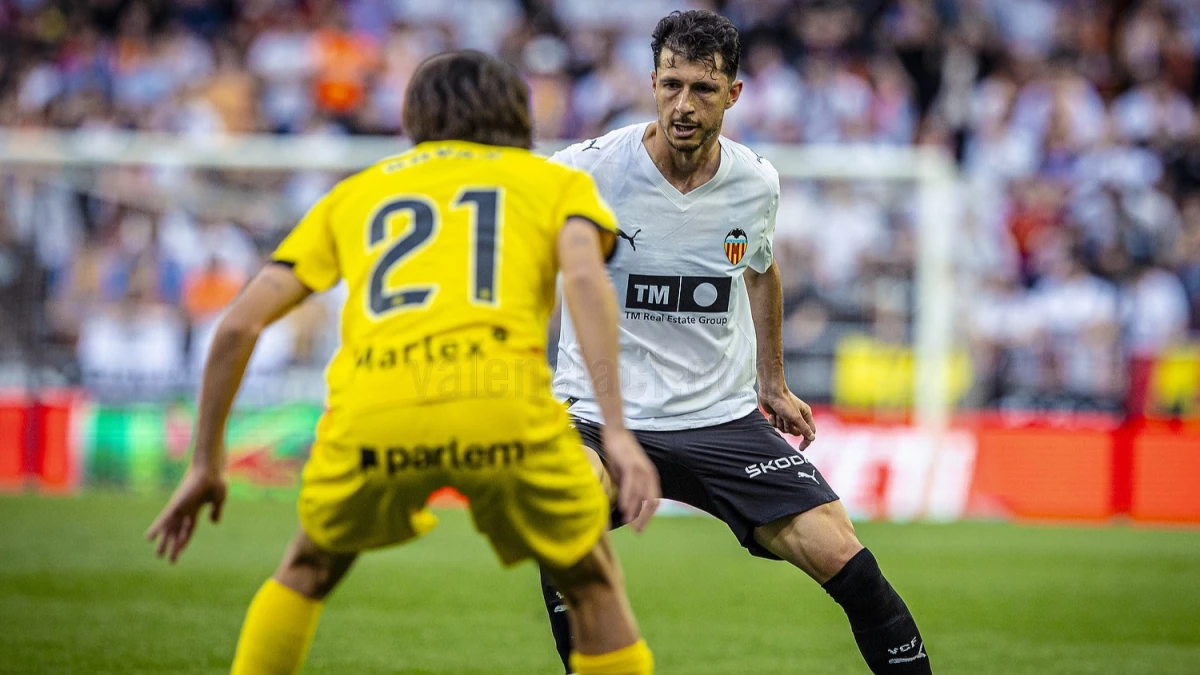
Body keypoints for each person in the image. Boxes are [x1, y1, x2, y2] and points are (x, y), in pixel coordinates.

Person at [146, 50, 661, 675]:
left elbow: (236, 326)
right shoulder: (556, 184)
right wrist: (616, 431)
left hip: (376, 410)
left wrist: (206, 460)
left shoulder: (357, 193)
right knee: (590, 584)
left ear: (414, 115)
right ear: (516, 113)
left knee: (307, 568)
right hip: (499, 402)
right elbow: (585, 280)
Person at [539, 11, 931, 674]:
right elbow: (521, 262)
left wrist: (771, 383)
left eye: (702, 88)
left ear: (734, 94)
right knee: (564, 509)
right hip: (600, 415)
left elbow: (761, 268)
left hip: (717, 418)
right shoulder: (586, 173)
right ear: (653, 83)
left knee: (843, 555)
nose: (683, 105)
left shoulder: (755, 182)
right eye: (670, 85)